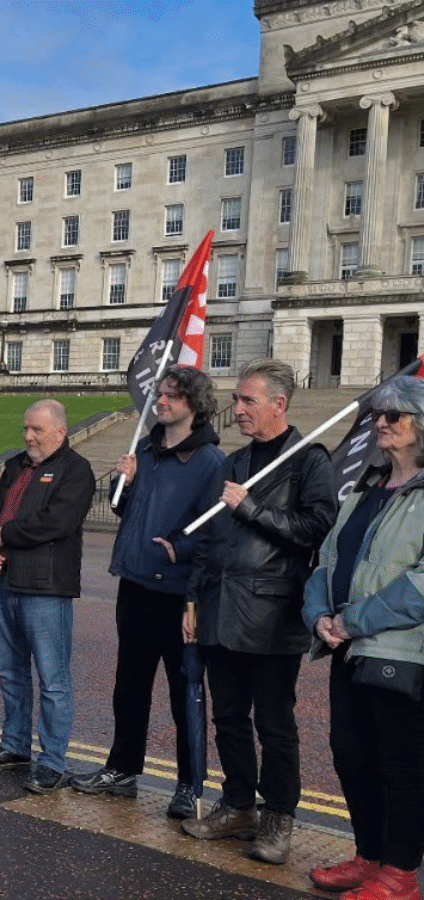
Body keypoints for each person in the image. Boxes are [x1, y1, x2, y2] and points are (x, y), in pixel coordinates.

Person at [180, 359, 336, 865]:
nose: (237, 408)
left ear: (279, 404)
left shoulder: (310, 460)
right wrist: (193, 598)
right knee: (227, 716)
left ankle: (278, 816)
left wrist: (252, 508)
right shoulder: (235, 461)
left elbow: (315, 529)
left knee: (274, 721)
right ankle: (238, 803)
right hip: (220, 606)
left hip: (272, 613)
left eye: (248, 400)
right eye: (238, 399)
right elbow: (209, 537)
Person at [71, 366, 224, 819]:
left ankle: (188, 784)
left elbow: (217, 531)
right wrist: (128, 482)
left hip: (180, 594)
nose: (161, 402)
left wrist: (180, 547)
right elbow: (122, 509)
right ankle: (121, 769)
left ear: (193, 405)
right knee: (130, 686)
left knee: (184, 691)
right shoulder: (146, 447)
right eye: (160, 393)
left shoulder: (211, 462)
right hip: (136, 583)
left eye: (172, 396)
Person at [301, 376, 424, 899]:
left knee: (400, 764)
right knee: (352, 755)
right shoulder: (365, 491)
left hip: (400, 652)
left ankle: (400, 873)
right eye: (379, 415)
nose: (381, 423)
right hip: (346, 649)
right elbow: (326, 559)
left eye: (394, 416)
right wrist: (320, 615)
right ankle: (369, 855)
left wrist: (357, 620)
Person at [0, 399, 95, 793]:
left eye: (37, 430)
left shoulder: (76, 471)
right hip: (4, 583)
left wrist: (4, 537)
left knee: (53, 680)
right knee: (10, 673)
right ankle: (14, 746)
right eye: (26, 428)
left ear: (60, 431)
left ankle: (53, 762)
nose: (28, 436)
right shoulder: (14, 467)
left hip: (45, 589)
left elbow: (57, 522)